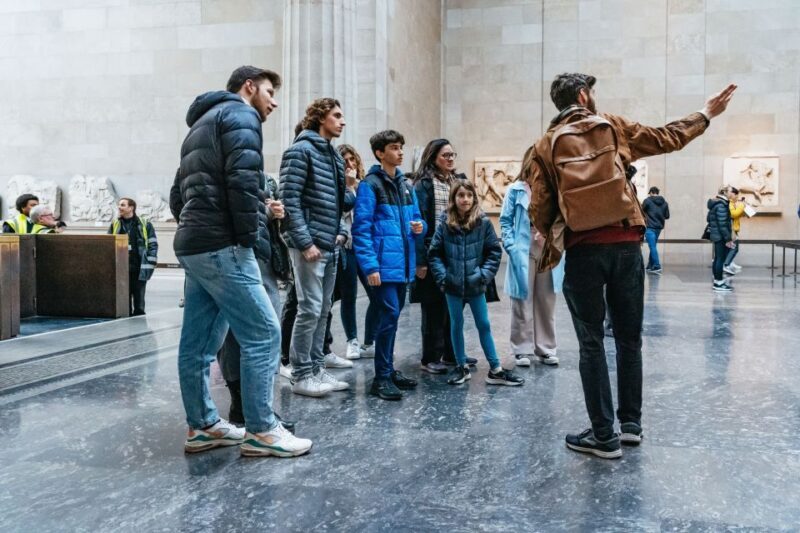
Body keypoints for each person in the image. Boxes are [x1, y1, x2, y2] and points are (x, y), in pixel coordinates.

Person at [529, 72, 736, 459]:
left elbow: (539, 207)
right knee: (628, 339)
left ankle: (603, 436)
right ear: (583, 95)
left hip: (583, 253)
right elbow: (666, 138)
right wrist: (706, 113)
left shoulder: (543, 145)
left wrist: (556, 233)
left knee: (591, 343)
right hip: (626, 246)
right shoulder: (613, 127)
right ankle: (630, 426)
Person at [171, 65, 312, 457]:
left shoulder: (201, 123)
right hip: (223, 242)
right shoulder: (240, 114)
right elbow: (242, 183)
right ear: (249, 87)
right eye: (269, 91)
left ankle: (203, 426)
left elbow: (178, 192)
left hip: (195, 241)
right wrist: (250, 238)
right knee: (264, 333)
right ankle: (263, 431)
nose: (274, 101)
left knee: (199, 345)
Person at [279, 98, 351, 398]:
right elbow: (289, 199)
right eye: (336, 115)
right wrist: (305, 242)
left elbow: (340, 203)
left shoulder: (332, 155)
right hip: (310, 245)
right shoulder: (300, 150)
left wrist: (349, 187)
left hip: (329, 243)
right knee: (308, 309)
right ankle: (301, 374)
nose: (342, 121)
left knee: (322, 310)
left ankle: (318, 368)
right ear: (320, 118)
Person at [216, 175, 296, 433]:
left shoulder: (264, 177)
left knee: (267, 331)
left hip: (262, 257)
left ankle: (257, 407)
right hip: (233, 255)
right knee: (237, 333)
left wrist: (279, 214)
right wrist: (265, 213)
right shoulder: (217, 167)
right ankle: (246, 408)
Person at [352, 129, 425, 401]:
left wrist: (420, 226)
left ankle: (388, 369)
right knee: (389, 316)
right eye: (394, 148)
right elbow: (361, 229)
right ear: (380, 153)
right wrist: (370, 267)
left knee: (392, 319)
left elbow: (417, 219)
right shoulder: (370, 185)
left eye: (401, 147)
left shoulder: (405, 185)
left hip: (402, 264)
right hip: (382, 266)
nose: (400, 152)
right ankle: (380, 378)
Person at [429, 180, 524, 387]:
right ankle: (461, 367)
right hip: (452, 285)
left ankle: (495, 369)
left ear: (474, 198)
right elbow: (435, 253)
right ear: (454, 198)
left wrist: (482, 276)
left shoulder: (483, 222)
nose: (465, 199)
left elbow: (493, 251)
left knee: (484, 324)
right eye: (461, 195)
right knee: (456, 325)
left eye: (469, 195)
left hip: (475, 285)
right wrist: (444, 277)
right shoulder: (445, 222)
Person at [411, 139, 478, 373]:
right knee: (433, 307)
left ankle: (452, 353)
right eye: (445, 155)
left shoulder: (458, 180)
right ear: (433, 157)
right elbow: (418, 223)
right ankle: (430, 357)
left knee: (455, 305)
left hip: (457, 251)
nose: (450, 159)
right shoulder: (423, 185)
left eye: (452, 155)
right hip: (433, 251)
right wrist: (420, 261)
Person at [500, 150, 563, 368]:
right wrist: (512, 246)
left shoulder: (553, 189)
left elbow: (561, 219)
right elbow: (505, 221)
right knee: (521, 300)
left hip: (548, 250)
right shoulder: (515, 190)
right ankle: (521, 349)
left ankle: (546, 348)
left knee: (547, 301)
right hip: (523, 250)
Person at [337, 144, 378, 360]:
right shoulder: (335, 186)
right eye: (345, 161)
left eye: (352, 159)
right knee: (348, 295)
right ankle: (351, 340)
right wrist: (347, 186)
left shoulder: (365, 185)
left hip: (364, 246)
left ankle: (369, 341)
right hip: (346, 247)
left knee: (375, 294)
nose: (350, 164)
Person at [108, 198, 157, 316]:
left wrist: (150, 263)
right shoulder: (115, 224)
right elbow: (108, 243)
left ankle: (140, 328)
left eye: (122, 205)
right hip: (122, 268)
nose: (119, 207)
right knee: (124, 303)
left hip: (140, 266)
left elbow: (153, 244)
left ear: (131, 208)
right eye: (119, 205)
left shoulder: (145, 224)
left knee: (139, 304)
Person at [707, 186, 735, 292]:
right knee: (720, 259)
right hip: (720, 236)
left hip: (716, 235)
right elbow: (723, 224)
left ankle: (717, 281)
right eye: (731, 192)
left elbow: (708, 218)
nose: (732, 194)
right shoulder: (721, 205)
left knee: (717, 259)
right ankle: (718, 282)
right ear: (725, 193)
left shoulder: (716, 204)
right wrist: (728, 239)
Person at [641, 186, 670, 274]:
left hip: (650, 227)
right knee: (653, 246)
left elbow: (641, 211)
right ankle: (650, 265)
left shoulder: (647, 201)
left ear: (651, 192)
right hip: (658, 228)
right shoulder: (665, 203)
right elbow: (667, 216)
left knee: (652, 246)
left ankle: (657, 266)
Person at [724, 187, 745, 275]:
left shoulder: (732, 203)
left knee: (732, 248)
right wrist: (742, 206)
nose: (737, 198)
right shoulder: (730, 203)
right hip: (731, 229)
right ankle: (726, 264)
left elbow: (735, 215)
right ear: (733, 194)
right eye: (736, 196)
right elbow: (733, 214)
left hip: (734, 228)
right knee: (734, 247)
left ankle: (729, 263)